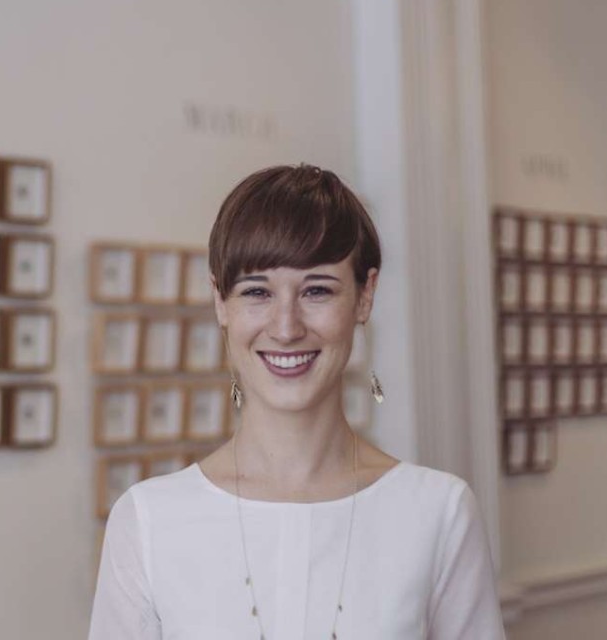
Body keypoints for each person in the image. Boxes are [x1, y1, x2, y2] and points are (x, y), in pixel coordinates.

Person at [88, 165, 505, 639]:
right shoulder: (148, 519)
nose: (286, 327)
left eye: (317, 290)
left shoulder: (438, 512)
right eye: (257, 292)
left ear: (365, 296)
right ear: (220, 302)